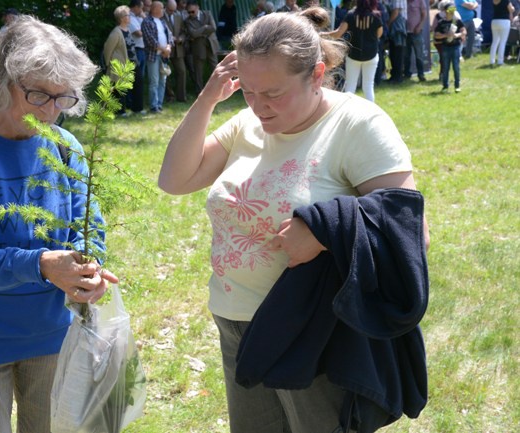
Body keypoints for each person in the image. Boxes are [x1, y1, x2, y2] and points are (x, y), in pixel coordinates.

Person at [159, 7, 429, 433]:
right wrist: (209, 96)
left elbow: (408, 229)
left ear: (317, 74)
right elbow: (175, 179)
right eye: (247, 90)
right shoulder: (249, 121)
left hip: (312, 329)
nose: (258, 105)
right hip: (235, 320)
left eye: (273, 93)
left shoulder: (357, 124)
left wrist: (324, 230)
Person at [0, 15, 118, 432]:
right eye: (37, 95)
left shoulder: (65, 147)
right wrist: (42, 265)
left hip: (53, 335)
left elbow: (90, 225)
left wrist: (90, 268)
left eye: (63, 98)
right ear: (3, 82)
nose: (51, 111)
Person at [325, 0, 383, 102]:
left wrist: (322, 35)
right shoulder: (376, 16)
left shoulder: (351, 15)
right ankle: (371, 114)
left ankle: (347, 112)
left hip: (354, 55)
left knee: (350, 86)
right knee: (368, 86)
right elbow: (379, 34)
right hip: (371, 55)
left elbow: (338, 33)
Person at [103, 5, 137, 116]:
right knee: (117, 89)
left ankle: (122, 110)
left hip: (127, 64)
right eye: (128, 15)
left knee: (123, 89)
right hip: (117, 65)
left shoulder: (127, 30)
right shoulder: (116, 32)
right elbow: (108, 49)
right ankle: (119, 111)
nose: (130, 17)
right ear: (122, 18)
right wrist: (108, 64)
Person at [142, 1, 173, 113]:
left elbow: (169, 36)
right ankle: (153, 106)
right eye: (162, 8)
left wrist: (168, 47)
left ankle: (159, 105)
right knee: (154, 81)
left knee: (162, 81)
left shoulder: (162, 21)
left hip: (164, 56)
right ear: (155, 9)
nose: (163, 10)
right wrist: (164, 49)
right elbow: (150, 40)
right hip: (153, 56)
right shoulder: (146, 21)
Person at [184, 0, 220, 95]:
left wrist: (199, 31)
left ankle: (218, 90)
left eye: (193, 11)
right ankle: (199, 93)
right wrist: (204, 27)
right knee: (198, 72)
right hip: (198, 48)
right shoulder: (187, 21)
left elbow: (213, 28)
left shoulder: (207, 13)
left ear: (197, 8)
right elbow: (193, 33)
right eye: (189, 12)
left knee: (215, 69)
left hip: (211, 45)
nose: (191, 14)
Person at [434, 1, 465, 91]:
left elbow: (464, 31)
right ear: (446, 11)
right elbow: (436, 35)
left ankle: (457, 86)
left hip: (455, 47)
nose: (452, 12)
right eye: (450, 10)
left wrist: (457, 35)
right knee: (445, 67)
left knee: (456, 67)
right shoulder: (441, 22)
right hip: (445, 47)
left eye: (453, 10)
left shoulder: (457, 22)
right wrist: (446, 35)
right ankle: (445, 86)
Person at [164, 0, 189, 102]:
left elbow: (184, 31)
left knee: (182, 71)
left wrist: (182, 38)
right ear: (166, 7)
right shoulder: (160, 17)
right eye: (170, 10)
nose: (172, 12)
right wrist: (170, 38)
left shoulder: (178, 16)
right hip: (165, 49)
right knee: (166, 74)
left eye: (174, 10)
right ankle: (170, 96)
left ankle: (181, 97)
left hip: (178, 49)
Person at [128, 0, 148, 114]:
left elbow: (143, 28)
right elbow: (139, 33)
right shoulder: (129, 17)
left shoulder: (138, 18)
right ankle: (131, 104)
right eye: (140, 8)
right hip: (135, 50)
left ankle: (137, 103)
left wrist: (143, 18)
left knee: (140, 79)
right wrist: (146, 28)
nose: (142, 11)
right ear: (135, 7)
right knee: (134, 78)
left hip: (141, 49)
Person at [404, 0, 428, 81]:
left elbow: (424, 14)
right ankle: (407, 74)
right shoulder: (403, 1)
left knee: (419, 55)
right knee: (406, 55)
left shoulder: (420, 1)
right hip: (405, 32)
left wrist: (419, 27)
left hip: (416, 32)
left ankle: (420, 74)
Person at [489, 0, 515, 65]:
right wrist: (512, 6)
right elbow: (511, 10)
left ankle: (492, 61)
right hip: (504, 21)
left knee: (494, 42)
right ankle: (500, 61)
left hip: (494, 21)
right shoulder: (506, 0)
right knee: (503, 42)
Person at [387, 0, 408, 83]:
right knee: (393, 53)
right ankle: (394, 75)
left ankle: (398, 77)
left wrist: (388, 24)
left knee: (397, 53)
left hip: (398, 28)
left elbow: (395, 12)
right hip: (396, 27)